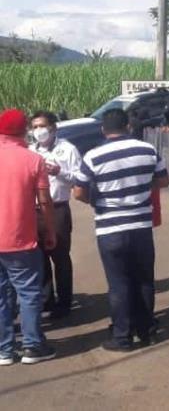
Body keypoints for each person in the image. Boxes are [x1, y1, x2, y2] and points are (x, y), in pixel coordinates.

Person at [73, 109, 169, 352]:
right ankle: (147, 331)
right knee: (144, 280)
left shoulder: (93, 156)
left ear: (103, 129)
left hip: (110, 228)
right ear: (127, 125)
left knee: (118, 284)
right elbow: (163, 180)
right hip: (140, 226)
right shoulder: (147, 150)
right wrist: (141, 190)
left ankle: (122, 337)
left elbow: (78, 192)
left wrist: (97, 202)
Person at [0, 109, 57, 365]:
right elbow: (44, 202)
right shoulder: (33, 160)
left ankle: (4, 350)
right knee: (29, 293)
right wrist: (50, 231)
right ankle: (33, 346)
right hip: (22, 238)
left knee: (1, 296)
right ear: (25, 131)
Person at [30, 111, 81, 320]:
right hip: (32, 210)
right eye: (34, 127)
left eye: (42, 126)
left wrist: (59, 171)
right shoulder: (29, 151)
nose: (38, 131)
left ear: (53, 128)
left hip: (57, 207)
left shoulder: (67, 149)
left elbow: (79, 178)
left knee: (60, 256)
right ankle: (46, 300)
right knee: (38, 257)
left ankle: (65, 302)